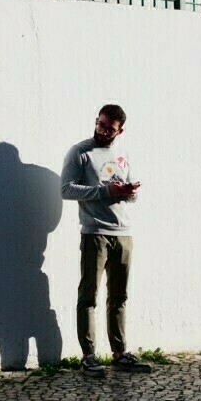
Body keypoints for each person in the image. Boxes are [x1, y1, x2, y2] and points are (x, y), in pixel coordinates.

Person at [61, 104, 149, 376]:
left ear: (119, 130)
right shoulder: (80, 152)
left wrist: (130, 192)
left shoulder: (122, 154)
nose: (102, 131)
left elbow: (130, 190)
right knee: (88, 296)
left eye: (109, 128)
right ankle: (88, 356)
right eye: (100, 124)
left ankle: (120, 353)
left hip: (123, 232)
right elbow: (66, 189)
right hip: (94, 232)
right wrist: (105, 191)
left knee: (119, 296)